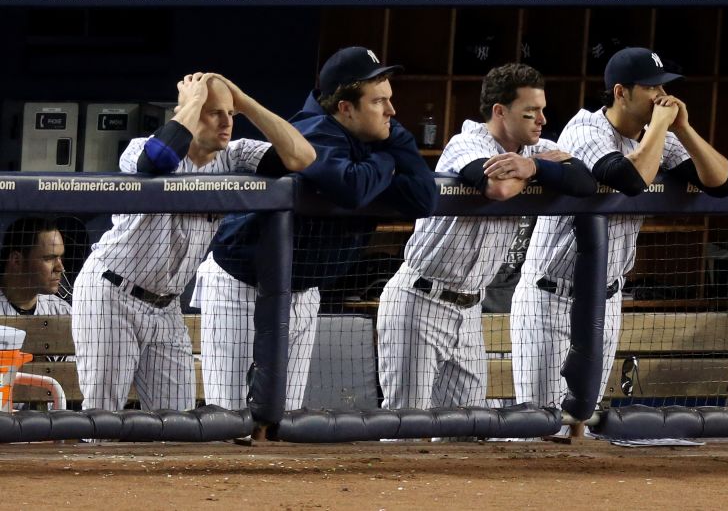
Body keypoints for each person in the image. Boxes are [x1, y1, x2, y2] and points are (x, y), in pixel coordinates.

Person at [194, 46, 438, 410]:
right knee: (230, 412)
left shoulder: (377, 136)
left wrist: (388, 148)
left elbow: (424, 199)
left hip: (302, 289)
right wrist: (388, 160)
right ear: (345, 108)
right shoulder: (312, 131)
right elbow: (352, 188)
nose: (392, 112)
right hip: (241, 286)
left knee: (285, 413)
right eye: (379, 102)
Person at [71, 72, 316, 412]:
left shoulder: (234, 156)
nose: (226, 122)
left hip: (167, 307)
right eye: (214, 112)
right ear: (187, 110)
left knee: (179, 424)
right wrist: (192, 102)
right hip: (112, 294)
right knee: (102, 416)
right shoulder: (140, 147)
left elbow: (302, 157)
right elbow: (157, 161)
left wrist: (244, 101)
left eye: (230, 114)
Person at [510, 47, 728, 413]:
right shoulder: (587, 128)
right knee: (542, 421)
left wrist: (684, 129)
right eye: (651, 88)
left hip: (606, 298)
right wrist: (661, 127)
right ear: (621, 92)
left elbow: (722, 183)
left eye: (665, 86)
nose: (662, 97)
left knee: (581, 418)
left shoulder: (655, 134)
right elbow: (630, 179)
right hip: (550, 296)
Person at [376, 63, 597, 411]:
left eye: (542, 110)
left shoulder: (534, 150)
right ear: (500, 112)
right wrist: (541, 170)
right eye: (530, 113)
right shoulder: (467, 142)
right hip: (421, 299)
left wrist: (535, 166)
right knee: (406, 423)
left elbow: (585, 181)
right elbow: (498, 187)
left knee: (466, 430)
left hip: (470, 309)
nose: (541, 119)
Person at [0, 217, 70, 316]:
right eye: (49, 258)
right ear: (16, 260)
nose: (60, 268)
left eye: (61, 257)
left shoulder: (62, 312)